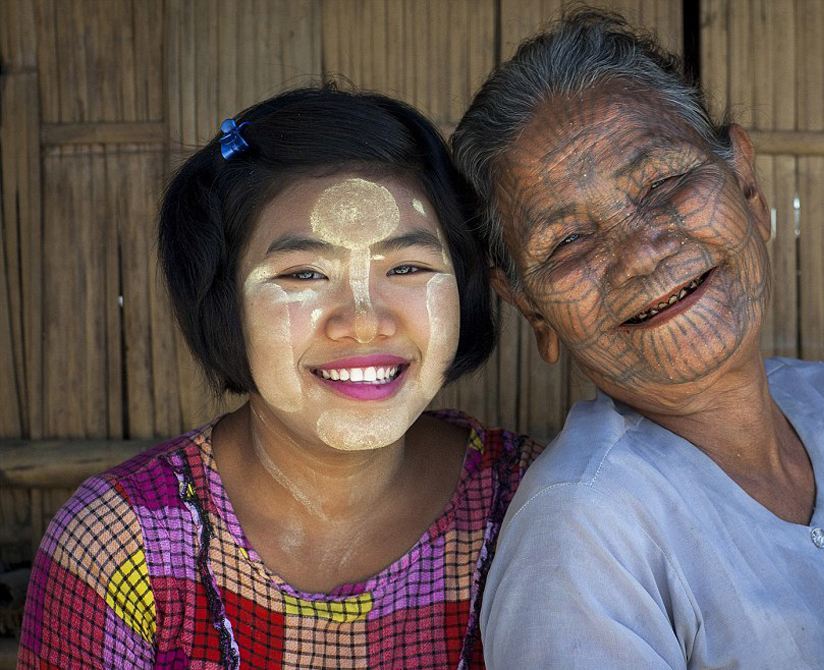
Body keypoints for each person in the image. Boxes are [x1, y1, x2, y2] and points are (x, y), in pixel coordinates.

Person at [452, 9, 824, 669]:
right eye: (568, 241)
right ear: (531, 309)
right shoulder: (582, 532)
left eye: (664, 183)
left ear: (747, 185)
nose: (640, 253)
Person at [18, 83, 539, 669]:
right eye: (305, 275)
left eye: (408, 266)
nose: (364, 324)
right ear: (224, 305)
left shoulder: (537, 512)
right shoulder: (122, 545)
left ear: (466, 291)